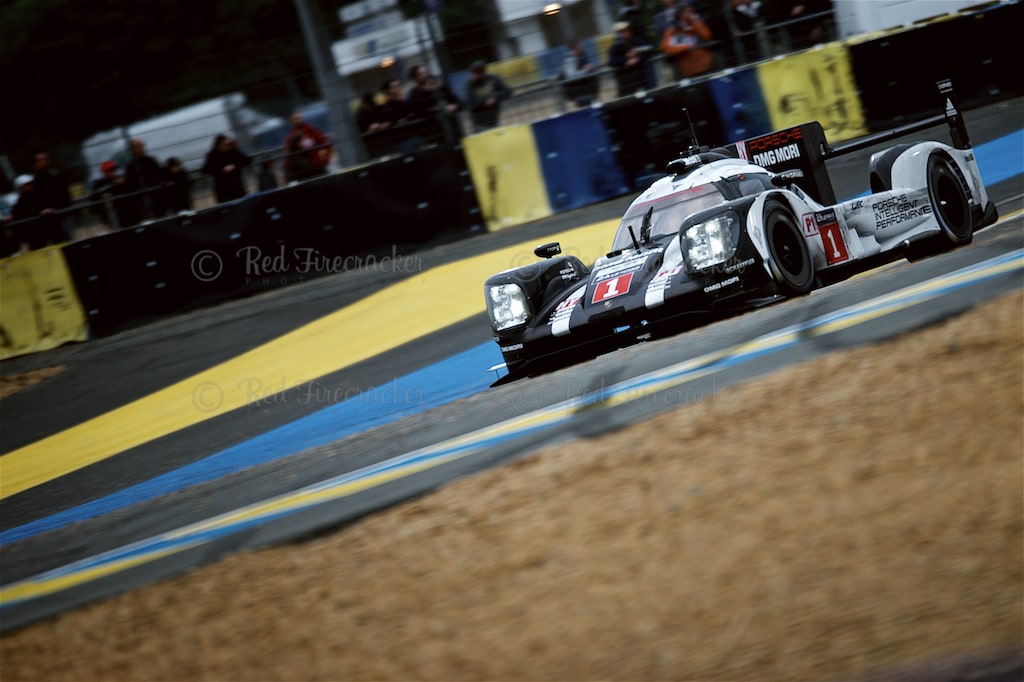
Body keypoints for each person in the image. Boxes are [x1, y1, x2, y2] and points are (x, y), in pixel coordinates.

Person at [661, 3, 715, 78]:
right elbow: (666, 49)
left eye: (691, 12)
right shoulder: (672, 31)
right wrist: (686, 47)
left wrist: (695, 22)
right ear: (679, 16)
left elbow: (707, 37)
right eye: (687, 12)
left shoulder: (696, 25)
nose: (690, 15)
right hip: (688, 70)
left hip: (706, 66)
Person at [282, 112, 332, 184]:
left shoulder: (312, 130)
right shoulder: (290, 136)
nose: (299, 120)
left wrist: (324, 160)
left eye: (299, 118)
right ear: (292, 121)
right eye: (295, 119)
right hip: (302, 171)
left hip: (318, 166)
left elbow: (326, 143)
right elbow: (287, 153)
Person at [609, 21, 655, 97]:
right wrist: (626, 59)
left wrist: (638, 59)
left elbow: (648, 50)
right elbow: (612, 61)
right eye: (622, 32)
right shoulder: (615, 47)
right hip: (626, 83)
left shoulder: (637, 41)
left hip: (642, 80)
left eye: (626, 31)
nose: (625, 33)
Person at [202, 134, 252, 203]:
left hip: (237, 187)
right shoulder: (212, 155)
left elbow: (247, 160)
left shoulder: (233, 151)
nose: (224, 146)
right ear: (217, 145)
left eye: (226, 144)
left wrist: (234, 165)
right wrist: (221, 169)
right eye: (222, 144)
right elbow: (205, 170)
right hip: (223, 190)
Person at [123, 138, 165, 220]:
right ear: (132, 149)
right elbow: (130, 185)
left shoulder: (151, 161)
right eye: (137, 147)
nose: (141, 148)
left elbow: (160, 174)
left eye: (141, 146)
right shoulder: (131, 166)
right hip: (141, 199)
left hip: (156, 195)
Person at [465, 60, 511, 132]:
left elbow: (507, 91)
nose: (474, 75)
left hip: (494, 121)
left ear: (482, 72)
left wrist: (495, 97)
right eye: (472, 73)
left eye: (476, 73)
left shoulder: (493, 79)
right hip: (479, 124)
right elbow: (471, 102)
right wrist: (486, 100)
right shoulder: (470, 84)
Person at [89, 160, 134, 230]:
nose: (113, 172)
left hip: (126, 214)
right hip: (110, 215)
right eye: (110, 171)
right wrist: (114, 184)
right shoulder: (100, 183)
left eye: (113, 170)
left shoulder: (120, 178)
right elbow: (95, 195)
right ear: (105, 172)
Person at [560, 40, 600, 108]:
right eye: (580, 45)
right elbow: (571, 76)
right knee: (586, 108)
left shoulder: (579, 57)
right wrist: (586, 70)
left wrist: (591, 69)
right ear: (575, 48)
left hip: (584, 90)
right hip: (579, 92)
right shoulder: (570, 59)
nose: (582, 47)